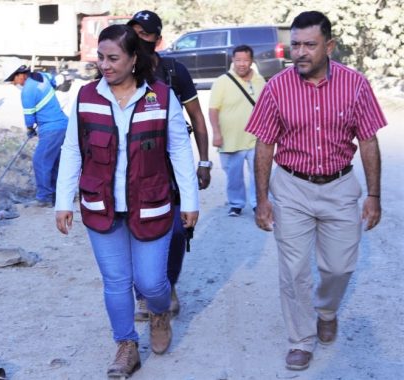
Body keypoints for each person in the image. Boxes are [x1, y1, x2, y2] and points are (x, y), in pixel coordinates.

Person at [55, 24, 199, 378]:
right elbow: (72, 150)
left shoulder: (162, 97)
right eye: (101, 57)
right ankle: (126, 346)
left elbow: (180, 150)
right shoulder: (87, 97)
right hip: (100, 206)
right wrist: (63, 202)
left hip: (152, 204)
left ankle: (159, 312)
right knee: (117, 281)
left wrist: (191, 200)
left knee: (151, 283)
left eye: (113, 58)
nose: (104, 64)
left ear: (135, 59)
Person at [245, 11, 386, 371]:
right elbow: (264, 146)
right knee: (293, 271)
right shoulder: (276, 88)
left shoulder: (355, 85)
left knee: (339, 267)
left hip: (340, 187)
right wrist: (262, 200)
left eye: (309, 44)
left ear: (330, 46)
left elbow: (368, 141)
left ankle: (326, 310)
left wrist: (373, 196)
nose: (301, 52)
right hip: (291, 188)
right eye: (295, 45)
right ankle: (301, 339)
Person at [128, 9, 211, 319]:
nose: (138, 40)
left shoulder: (175, 72)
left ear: (158, 40)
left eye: (145, 34)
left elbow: (198, 118)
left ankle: (168, 284)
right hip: (134, 168)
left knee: (176, 232)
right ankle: (142, 295)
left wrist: (203, 162)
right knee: (134, 229)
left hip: (172, 168)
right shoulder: (120, 71)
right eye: (133, 33)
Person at [210, 44, 266, 217]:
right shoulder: (222, 82)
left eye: (246, 60)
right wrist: (216, 133)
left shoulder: (260, 81)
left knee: (258, 174)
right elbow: (213, 109)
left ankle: (258, 204)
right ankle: (236, 204)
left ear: (251, 61)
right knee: (234, 177)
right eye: (238, 60)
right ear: (233, 61)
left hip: (255, 138)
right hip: (230, 139)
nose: (242, 64)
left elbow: (266, 107)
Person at [4, 60, 68, 207]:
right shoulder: (41, 76)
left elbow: (29, 118)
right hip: (63, 125)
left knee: (40, 161)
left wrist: (30, 129)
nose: (14, 84)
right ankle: (59, 195)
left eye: (13, 80)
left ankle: (45, 198)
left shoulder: (27, 91)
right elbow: (54, 81)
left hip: (51, 129)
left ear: (20, 75)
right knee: (55, 162)